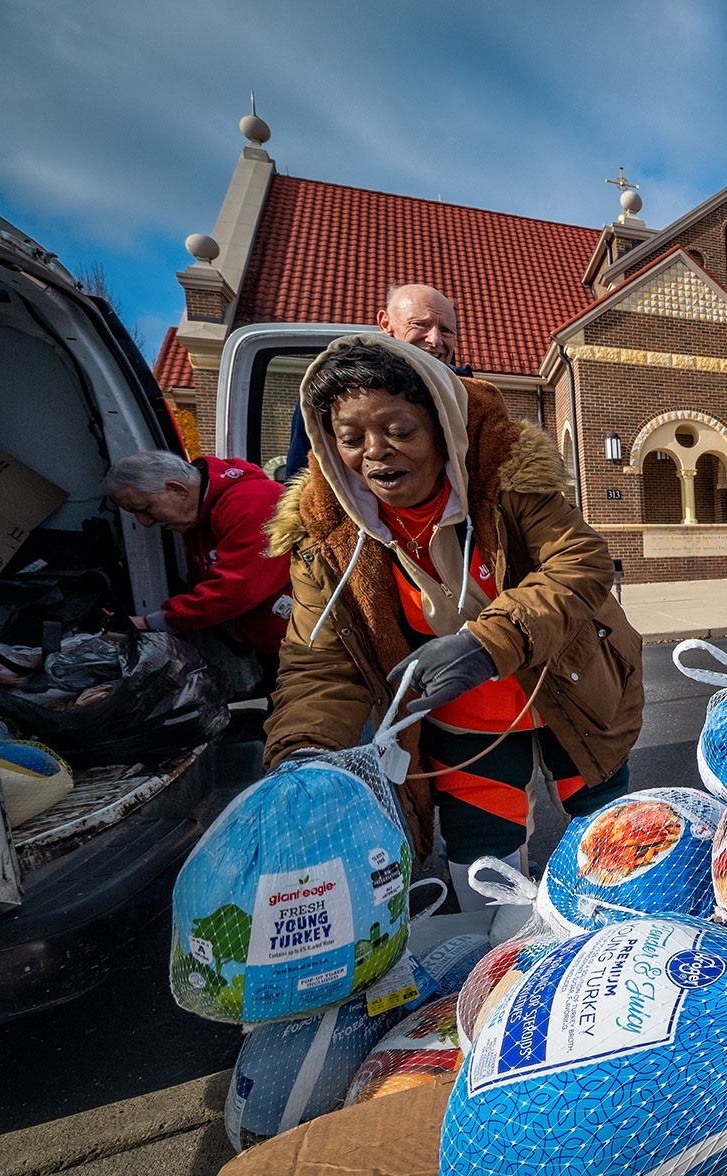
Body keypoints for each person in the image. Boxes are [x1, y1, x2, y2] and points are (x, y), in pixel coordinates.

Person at [265, 335, 644, 907]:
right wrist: (303, 754)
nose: (375, 453)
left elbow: (580, 564)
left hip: (571, 691)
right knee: (487, 894)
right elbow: (318, 664)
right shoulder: (324, 538)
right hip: (469, 734)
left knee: (626, 869)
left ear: (442, 425)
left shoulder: (507, 477)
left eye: (400, 431)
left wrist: (488, 643)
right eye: (351, 438)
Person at [102, 450, 291, 692]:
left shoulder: (254, 501)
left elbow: (236, 589)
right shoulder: (199, 518)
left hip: (311, 646)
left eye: (145, 508)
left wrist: (151, 622)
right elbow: (204, 580)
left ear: (177, 489)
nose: (145, 522)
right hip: (273, 643)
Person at [282, 284, 471, 481]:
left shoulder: (469, 393)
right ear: (385, 323)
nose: (434, 339)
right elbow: (303, 474)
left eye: (446, 330)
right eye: (419, 324)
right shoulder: (338, 387)